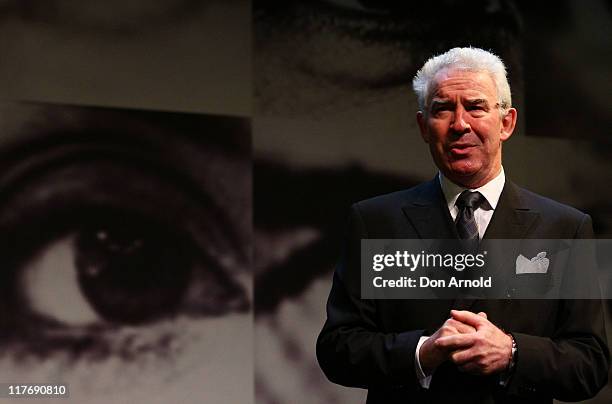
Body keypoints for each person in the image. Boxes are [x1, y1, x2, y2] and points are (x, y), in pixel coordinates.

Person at [316, 47, 609, 403]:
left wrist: (512, 352)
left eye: (475, 106)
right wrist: (422, 352)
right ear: (424, 127)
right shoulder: (376, 221)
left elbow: (590, 364)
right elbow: (337, 348)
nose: (459, 124)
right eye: (442, 109)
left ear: (506, 123)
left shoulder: (565, 228)